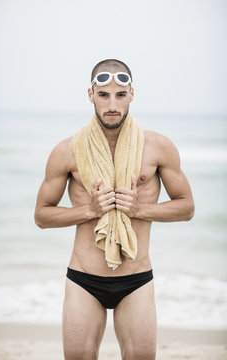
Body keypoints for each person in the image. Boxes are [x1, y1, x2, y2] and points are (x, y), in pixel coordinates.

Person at [34, 59, 195, 360]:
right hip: (84, 279)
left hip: (136, 279)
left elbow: (186, 208)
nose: (112, 103)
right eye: (103, 94)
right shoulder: (66, 150)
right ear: (90, 94)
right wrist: (89, 211)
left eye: (120, 95)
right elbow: (42, 215)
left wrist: (139, 210)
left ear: (132, 94)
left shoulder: (158, 147)